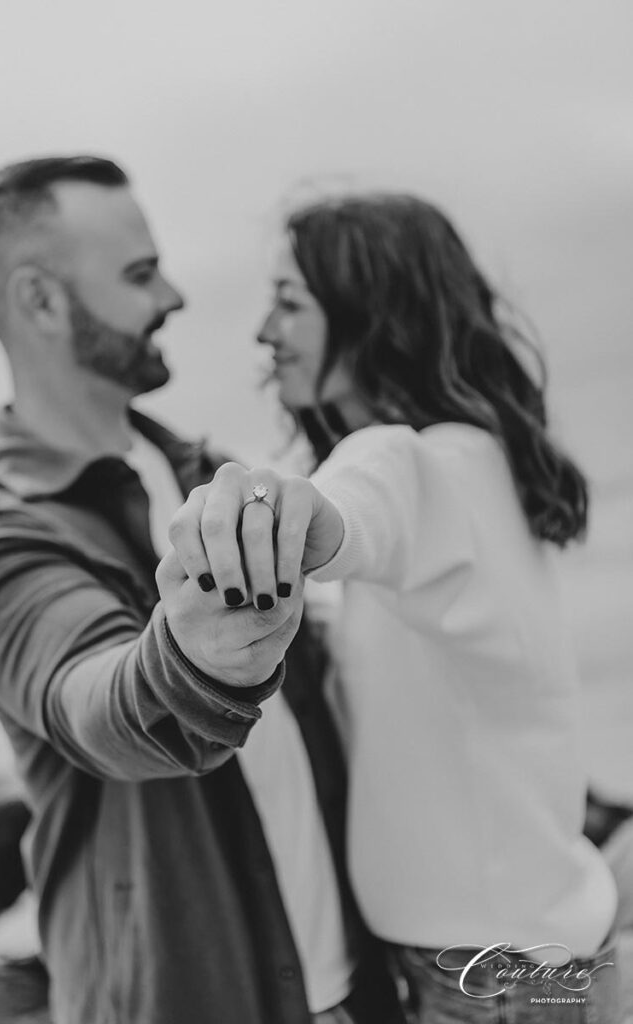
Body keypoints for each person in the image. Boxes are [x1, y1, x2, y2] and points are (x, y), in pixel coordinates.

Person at [0, 159, 399, 1024]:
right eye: (138, 273)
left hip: (357, 990)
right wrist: (191, 663)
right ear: (41, 301)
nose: (174, 296)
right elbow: (94, 702)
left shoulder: (204, 472)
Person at [167, 193, 622, 1023]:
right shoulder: (476, 467)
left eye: (289, 302)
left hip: (493, 983)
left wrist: (272, 515)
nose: (264, 331)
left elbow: (367, 495)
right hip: (527, 958)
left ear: (371, 313)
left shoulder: (428, 462)